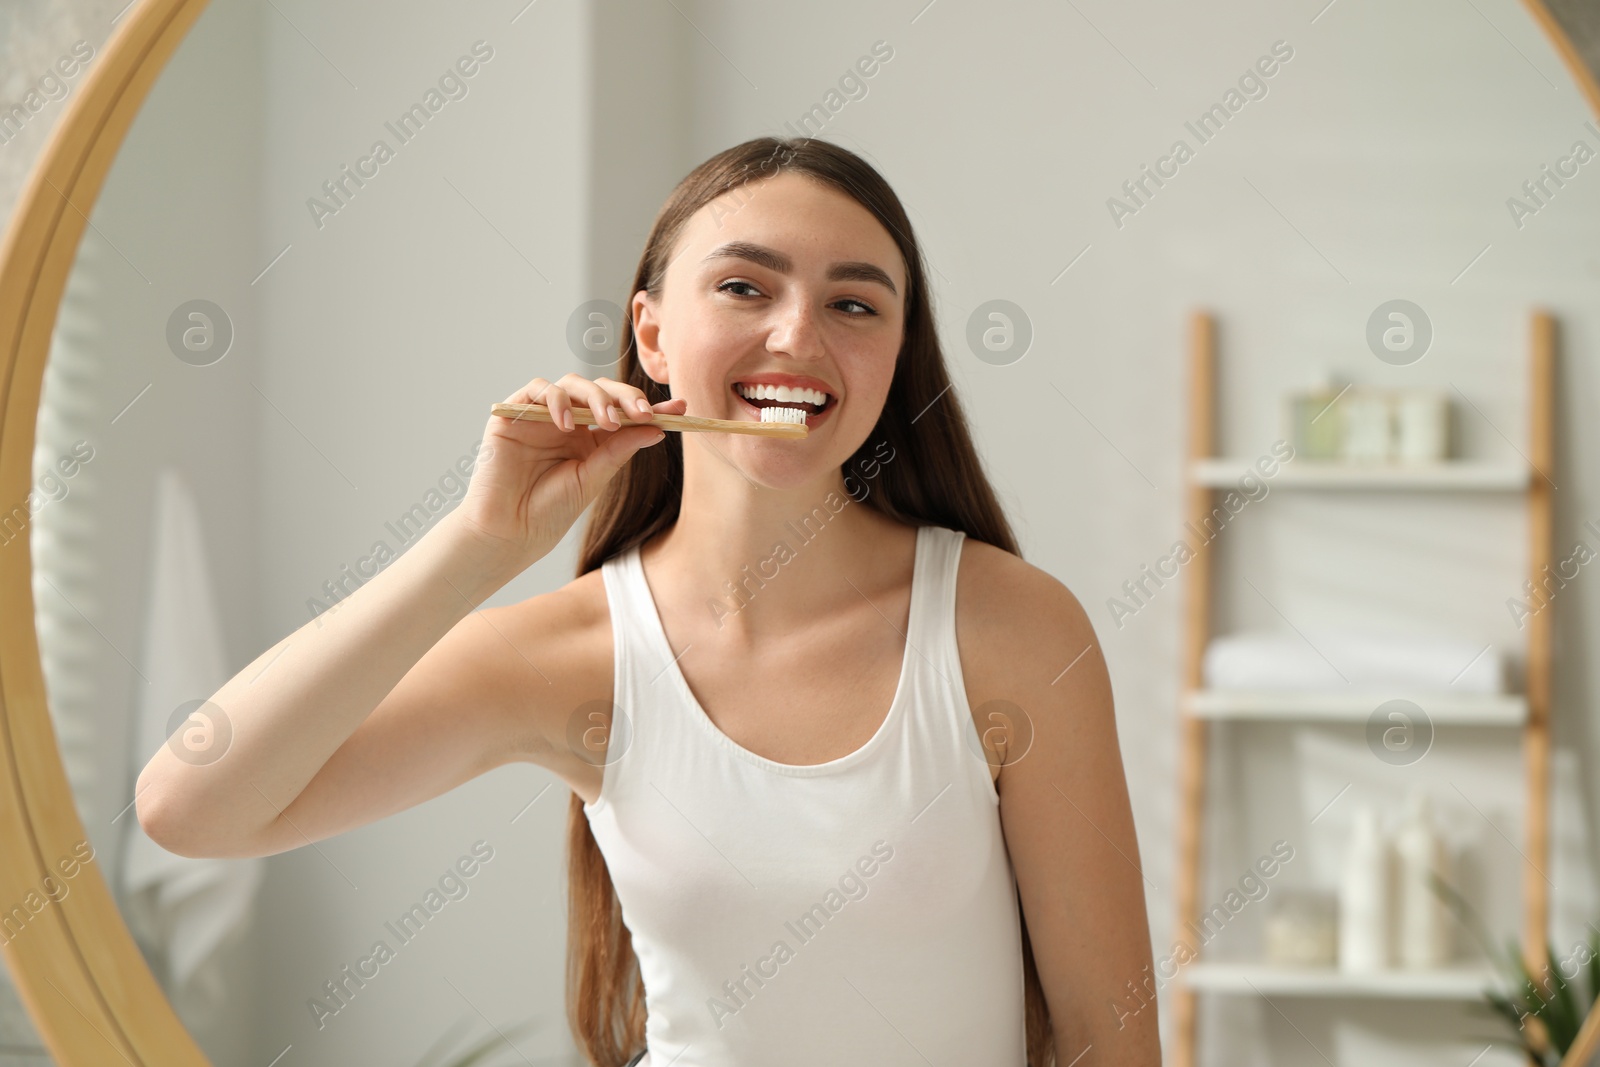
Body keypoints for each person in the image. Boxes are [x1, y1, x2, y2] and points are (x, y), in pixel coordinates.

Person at [136, 137, 1160, 1067]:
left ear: (894, 360)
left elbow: (1107, 1038)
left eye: (855, 304)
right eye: (745, 287)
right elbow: (191, 807)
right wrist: (478, 544)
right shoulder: (576, 654)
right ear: (653, 333)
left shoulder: (1009, 627)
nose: (797, 335)